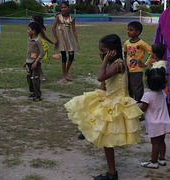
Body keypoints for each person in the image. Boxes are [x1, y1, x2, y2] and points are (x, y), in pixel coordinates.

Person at [64, 34, 143, 180]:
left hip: (118, 103)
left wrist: (105, 60)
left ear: (112, 51)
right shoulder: (111, 63)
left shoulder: (118, 63)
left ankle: (112, 173)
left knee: (107, 141)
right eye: (100, 50)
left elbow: (100, 77)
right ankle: (89, 133)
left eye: (103, 51)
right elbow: (103, 85)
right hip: (110, 98)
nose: (100, 53)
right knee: (85, 103)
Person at [139, 67, 170, 169]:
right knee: (162, 141)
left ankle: (154, 162)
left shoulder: (147, 95)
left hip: (154, 124)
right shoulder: (162, 93)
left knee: (155, 143)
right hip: (164, 121)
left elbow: (143, 107)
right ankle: (161, 159)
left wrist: (136, 105)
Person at [123, 21, 151, 103]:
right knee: (129, 88)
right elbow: (124, 51)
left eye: (131, 30)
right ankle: (131, 104)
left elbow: (151, 52)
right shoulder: (127, 43)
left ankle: (139, 105)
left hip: (137, 71)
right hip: (127, 70)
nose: (128, 31)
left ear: (137, 32)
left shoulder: (141, 43)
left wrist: (145, 64)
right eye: (128, 29)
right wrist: (124, 61)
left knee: (137, 89)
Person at [52, 1, 80, 83]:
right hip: (61, 39)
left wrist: (77, 43)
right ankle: (64, 76)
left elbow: (74, 31)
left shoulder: (72, 18)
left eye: (65, 7)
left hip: (69, 38)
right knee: (64, 57)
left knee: (71, 56)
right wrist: (56, 39)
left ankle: (66, 71)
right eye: (62, 7)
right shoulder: (58, 17)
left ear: (68, 8)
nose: (63, 9)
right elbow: (53, 28)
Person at [23, 22, 45, 102]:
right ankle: (33, 92)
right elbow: (28, 52)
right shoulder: (29, 39)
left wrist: (36, 62)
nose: (27, 31)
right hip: (29, 62)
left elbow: (42, 53)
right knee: (29, 78)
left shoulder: (38, 41)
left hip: (35, 63)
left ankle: (38, 95)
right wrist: (26, 61)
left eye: (29, 29)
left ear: (34, 31)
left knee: (35, 78)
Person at [30, 14, 55, 81]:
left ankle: (41, 75)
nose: (30, 21)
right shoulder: (31, 29)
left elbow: (44, 37)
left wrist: (52, 42)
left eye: (31, 20)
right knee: (33, 59)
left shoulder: (39, 29)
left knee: (37, 61)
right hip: (33, 46)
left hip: (40, 46)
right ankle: (36, 74)